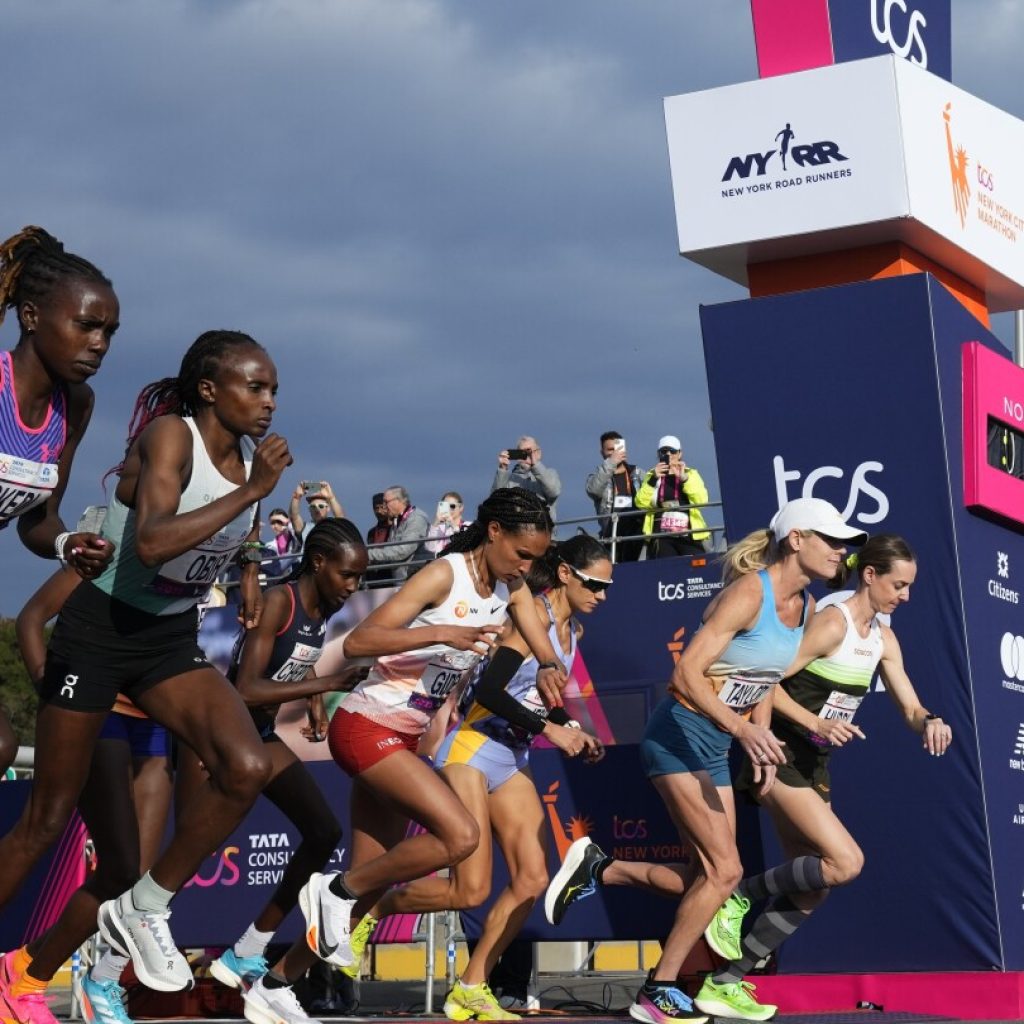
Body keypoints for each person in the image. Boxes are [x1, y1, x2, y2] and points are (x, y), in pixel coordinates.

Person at [0, 331, 292, 1002]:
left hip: (164, 642)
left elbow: (212, 546)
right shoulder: (171, 437)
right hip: (98, 636)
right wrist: (254, 496)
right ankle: (19, 973)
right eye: (256, 386)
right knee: (45, 820)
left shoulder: (251, 463)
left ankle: (145, 906)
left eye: (274, 388)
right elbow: (156, 543)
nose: (269, 401)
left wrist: (248, 561)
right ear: (212, 390)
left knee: (244, 766)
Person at [543, 498, 866, 1024]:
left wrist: (759, 735)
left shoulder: (804, 605)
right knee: (726, 872)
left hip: (715, 744)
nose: (841, 551)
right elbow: (685, 675)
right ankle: (659, 990)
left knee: (708, 878)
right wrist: (742, 729)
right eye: (831, 540)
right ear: (798, 540)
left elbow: (763, 677)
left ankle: (604, 867)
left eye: (844, 542)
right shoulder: (748, 593)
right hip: (678, 734)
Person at [292, 489, 571, 983]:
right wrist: (440, 634)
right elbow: (359, 642)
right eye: (521, 554)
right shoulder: (446, 574)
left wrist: (548, 663)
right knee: (459, 836)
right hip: (366, 724)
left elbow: (530, 616)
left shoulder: (511, 586)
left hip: (401, 738)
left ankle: (276, 985)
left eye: (536, 559)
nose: (526, 568)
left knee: (369, 891)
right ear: (494, 532)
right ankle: (334, 889)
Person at [693, 534, 952, 1020]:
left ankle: (723, 983)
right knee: (846, 861)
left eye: (910, 586)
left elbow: (911, 706)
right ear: (869, 576)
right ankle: (738, 897)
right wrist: (812, 724)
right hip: (778, 752)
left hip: (815, 766)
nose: (906, 596)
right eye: (899, 584)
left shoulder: (884, 639)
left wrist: (931, 720)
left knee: (814, 886)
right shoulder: (831, 626)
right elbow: (765, 678)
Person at [420, 534, 609, 1022]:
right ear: (565, 574)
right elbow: (489, 688)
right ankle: (370, 906)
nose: (602, 595)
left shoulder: (573, 634)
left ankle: (471, 985)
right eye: (595, 584)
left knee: (532, 879)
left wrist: (568, 727)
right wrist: (552, 729)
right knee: (471, 889)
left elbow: (545, 694)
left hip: (512, 757)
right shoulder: (533, 622)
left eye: (608, 587)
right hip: (471, 749)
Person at [188, 518, 370, 1024]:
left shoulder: (320, 609)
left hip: (259, 738)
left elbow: (298, 659)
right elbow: (246, 687)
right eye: (348, 575)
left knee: (323, 831)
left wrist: (316, 699)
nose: (352, 586)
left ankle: (249, 948)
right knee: (183, 857)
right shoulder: (279, 602)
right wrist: (331, 681)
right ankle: (106, 964)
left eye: (359, 578)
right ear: (318, 563)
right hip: (222, 737)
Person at [7, 564, 175, 1024]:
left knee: (129, 878)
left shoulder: (198, 571)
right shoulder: (115, 554)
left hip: (157, 722)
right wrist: (50, 688)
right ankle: (34, 982)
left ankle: (27, 975)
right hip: (100, 711)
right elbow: (31, 617)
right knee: (43, 827)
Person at [0, 225, 119, 776]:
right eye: (86, 326)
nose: (99, 343)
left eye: (109, 332)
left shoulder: (76, 403)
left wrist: (70, 542)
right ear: (30, 317)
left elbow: (36, 521)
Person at [635, 436, 711, 559]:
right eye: (664, 451)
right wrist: (654, 479)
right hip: (661, 534)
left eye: (672, 451)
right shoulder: (651, 476)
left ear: (680, 453)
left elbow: (702, 501)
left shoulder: (691, 474)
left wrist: (684, 478)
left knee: (695, 569)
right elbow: (640, 503)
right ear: (658, 454)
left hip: (688, 533)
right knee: (668, 570)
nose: (668, 454)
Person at [585, 431, 644, 562]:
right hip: (611, 532)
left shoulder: (638, 474)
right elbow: (593, 490)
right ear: (602, 453)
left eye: (617, 449)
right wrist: (611, 463)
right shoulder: (598, 477)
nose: (614, 453)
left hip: (636, 532)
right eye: (610, 450)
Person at [365, 485, 430, 581]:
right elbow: (390, 550)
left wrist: (367, 554)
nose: (384, 507)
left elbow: (402, 551)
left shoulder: (416, 519)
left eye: (386, 502)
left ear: (398, 501)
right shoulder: (397, 521)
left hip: (415, 579)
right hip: (400, 580)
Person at [493, 437, 561, 521]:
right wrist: (502, 469)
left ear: (539, 453)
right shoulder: (509, 480)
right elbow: (495, 503)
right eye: (523, 453)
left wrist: (535, 465)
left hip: (542, 530)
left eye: (530, 451)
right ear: (518, 456)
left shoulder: (550, 474)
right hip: (515, 530)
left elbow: (553, 492)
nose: (528, 455)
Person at [265, 506, 303, 578]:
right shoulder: (269, 546)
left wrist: (288, 525)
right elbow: (276, 567)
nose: (275, 526)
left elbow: (300, 538)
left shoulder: (295, 539)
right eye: (272, 523)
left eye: (279, 522)